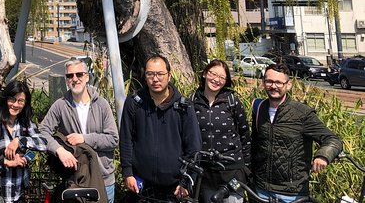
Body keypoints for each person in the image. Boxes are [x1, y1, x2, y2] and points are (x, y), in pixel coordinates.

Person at [251, 63, 342, 202]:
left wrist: (323, 155)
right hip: (261, 190)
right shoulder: (259, 108)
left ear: (288, 85)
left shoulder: (302, 113)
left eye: (278, 82)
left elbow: (332, 139)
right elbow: (254, 144)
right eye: (269, 81)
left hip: (291, 193)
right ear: (263, 83)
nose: (273, 86)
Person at [119, 55, 201, 202]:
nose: (155, 79)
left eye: (160, 74)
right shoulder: (134, 102)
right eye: (150, 74)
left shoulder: (183, 107)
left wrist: (187, 181)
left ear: (169, 75)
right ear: (145, 76)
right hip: (141, 186)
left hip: (174, 188)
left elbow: (194, 148)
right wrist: (127, 173)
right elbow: (126, 140)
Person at [39, 58, 118, 203]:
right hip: (75, 180)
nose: (75, 79)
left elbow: (113, 139)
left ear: (87, 77)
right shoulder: (60, 105)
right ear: (66, 79)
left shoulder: (102, 105)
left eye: (79, 74)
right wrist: (59, 150)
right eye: (70, 76)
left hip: (103, 179)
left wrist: (85, 138)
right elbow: (42, 132)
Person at [0, 80, 47, 203]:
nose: (15, 104)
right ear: (5, 99)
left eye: (20, 101)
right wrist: (7, 163)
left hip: (18, 193)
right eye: (12, 99)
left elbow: (43, 143)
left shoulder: (25, 123)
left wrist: (20, 141)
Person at [190, 60, 251, 203]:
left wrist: (246, 169)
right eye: (213, 74)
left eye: (222, 77)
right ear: (205, 74)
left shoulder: (232, 101)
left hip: (232, 171)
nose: (216, 80)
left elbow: (245, 136)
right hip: (206, 172)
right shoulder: (192, 101)